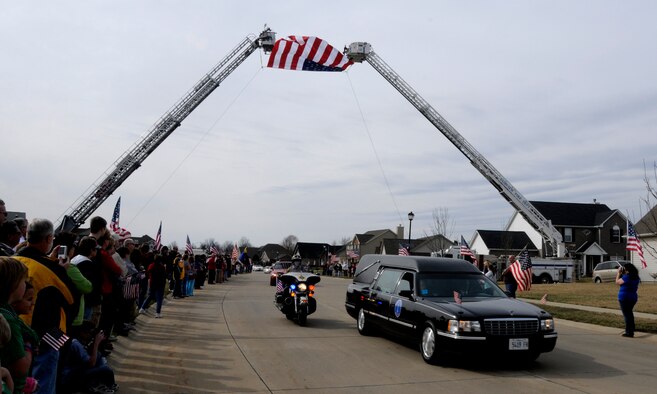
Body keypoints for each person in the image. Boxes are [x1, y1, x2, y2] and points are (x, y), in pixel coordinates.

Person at [0, 257, 37, 393]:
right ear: (12, 284)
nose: (25, 285)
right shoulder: (7, 319)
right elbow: (21, 366)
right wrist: (28, 345)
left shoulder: (8, 312)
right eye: (23, 281)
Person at [59, 321, 118, 394]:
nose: (91, 335)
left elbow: (93, 357)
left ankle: (101, 384)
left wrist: (98, 343)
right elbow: (91, 363)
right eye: (89, 333)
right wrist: (96, 343)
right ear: (82, 333)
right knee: (106, 369)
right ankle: (103, 385)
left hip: (78, 370)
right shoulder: (75, 343)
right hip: (70, 377)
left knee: (100, 357)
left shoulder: (81, 340)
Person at [616, 262, 640, 338]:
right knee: (630, 314)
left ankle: (629, 332)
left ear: (627, 270)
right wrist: (623, 273)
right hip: (633, 297)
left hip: (624, 298)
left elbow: (617, 282)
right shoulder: (636, 277)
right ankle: (632, 329)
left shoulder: (627, 277)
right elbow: (625, 281)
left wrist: (618, 273)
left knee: (627, 315)